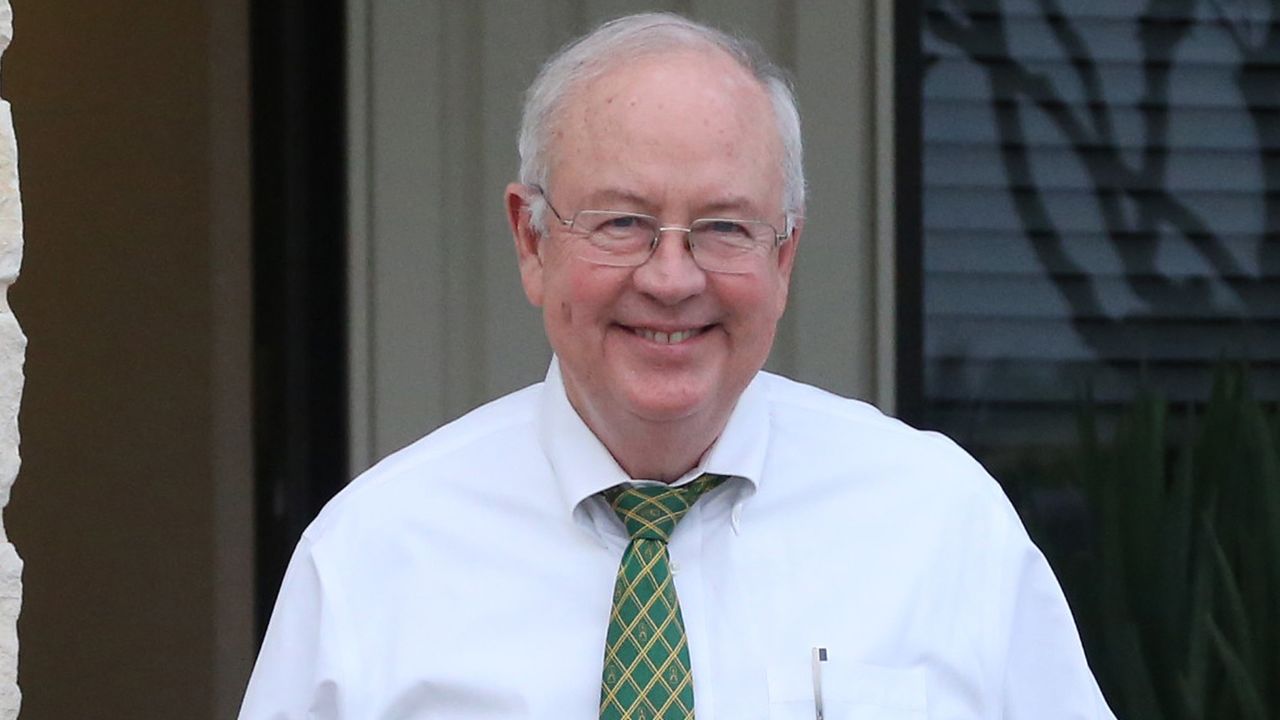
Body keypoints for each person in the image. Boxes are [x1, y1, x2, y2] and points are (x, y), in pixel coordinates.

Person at [239, 12, 1116, 719]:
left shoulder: (941, 525)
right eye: (621, 222)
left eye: (726, 227)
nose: (670, 277)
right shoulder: (371, 557)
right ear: (531, 240)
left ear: (784, 258)